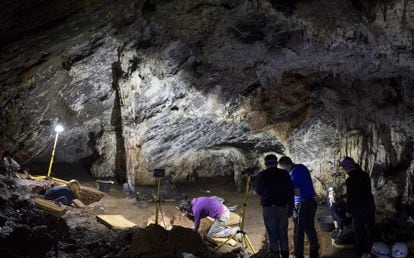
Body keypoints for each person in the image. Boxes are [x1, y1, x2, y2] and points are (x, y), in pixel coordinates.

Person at [278, 156, 319, 258]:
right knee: (310, 229)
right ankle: (314, 253)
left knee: (299, 232)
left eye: (283, 168)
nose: (283, 171)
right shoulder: (301, 167)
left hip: (303, 205)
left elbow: (297, 192)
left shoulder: (295, 173)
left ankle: (299, 254)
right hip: (311, 202)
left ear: (286, 165)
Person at [255, 154, 294, 258]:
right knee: (283, 233)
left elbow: (258, 191)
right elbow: (290, 192)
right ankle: (285, 254)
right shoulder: (285, 174)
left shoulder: (261, 175)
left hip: (268, 208)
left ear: (266, 164)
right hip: (282, 208)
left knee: (272, 233)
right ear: (276, 163)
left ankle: (275, 254)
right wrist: (291, 208)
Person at [340, 156, 376, 256]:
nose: (343, 170)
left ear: (347, 168)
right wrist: (344, 195)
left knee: (358, 230)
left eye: (343, 168)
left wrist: (348, 211)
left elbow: (352, 197)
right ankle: (376, 247)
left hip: (359, 208)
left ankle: (359, 251)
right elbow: (362, 191)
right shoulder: (364, 175)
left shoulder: (350, 180)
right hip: (369, 205)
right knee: (371, 226)